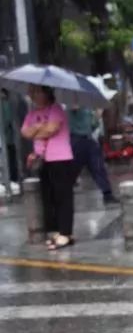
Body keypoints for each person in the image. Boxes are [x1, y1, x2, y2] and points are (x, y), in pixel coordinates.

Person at [21, 85, 76, 250]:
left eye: (38, 92)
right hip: (43, 160)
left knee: (63, 196)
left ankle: (66, 233)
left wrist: (37, 130)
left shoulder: (56, 109)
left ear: (47, 93)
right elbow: (25, 132)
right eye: (32, 93)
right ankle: (56, 232)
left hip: (60, 158)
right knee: (48, 197)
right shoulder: (32, 114)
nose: (35, 96)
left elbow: (51, 129)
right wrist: (40, 128)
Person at [68, 106, 117, 204]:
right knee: (73, 170)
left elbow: (92, 126)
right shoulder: (72, 104)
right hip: (76, 140)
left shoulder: (88, 109)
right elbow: (73, 109)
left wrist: (97, 116)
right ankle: (63, 195)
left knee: (98, 166)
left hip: (89, 140)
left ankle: (107, 194)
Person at [1, 89, 27, 191]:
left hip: (8, 138)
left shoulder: (6, 103)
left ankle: (13, 179)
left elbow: (6, 120)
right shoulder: (8, 102)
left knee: (11, 159)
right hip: (9, 138)